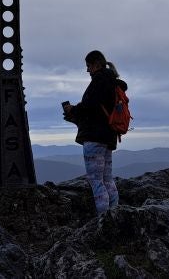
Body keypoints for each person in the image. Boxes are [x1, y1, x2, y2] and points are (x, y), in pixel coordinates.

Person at [62, 49, 127, 215]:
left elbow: (89, 106)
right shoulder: (113, 82)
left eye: (88, 66)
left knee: (96, 180)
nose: (87, 70)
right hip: (109, 137)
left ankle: (104, 219)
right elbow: (97, 108)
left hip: (94, 138)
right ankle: (115, 213)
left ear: (96, 64)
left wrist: (72, 110)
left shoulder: (99, 81)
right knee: (107, 179)